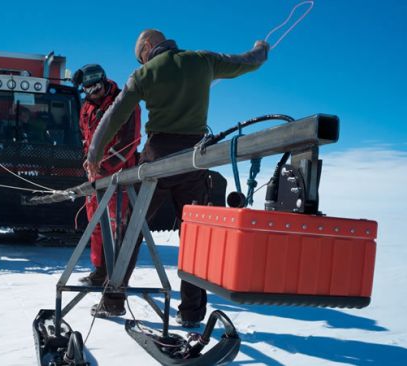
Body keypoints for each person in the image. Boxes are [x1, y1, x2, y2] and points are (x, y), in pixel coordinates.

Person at [84, 29, 269, 327]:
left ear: (148, 46)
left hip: (157, 159)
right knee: (195, 238)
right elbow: (247, 61)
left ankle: (113, 300)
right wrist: (261, 48)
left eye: (140, 54)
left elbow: (114, 115)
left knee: (130, 230)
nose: (141, 59)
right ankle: (192, 313)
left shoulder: (143, 74)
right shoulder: (203, 61)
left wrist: (94, 156)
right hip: (194, 161)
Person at [73, 64, 141, 317]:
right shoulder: (86, 108)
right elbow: (86, 138)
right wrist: (89, 162)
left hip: (120, 177)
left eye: (97, 84)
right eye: (88, 87)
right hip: (97, 177)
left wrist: (105, 165)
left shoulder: (124, 102)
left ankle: (116, 281)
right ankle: (99, 271)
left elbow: (131, 140)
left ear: (104, 80)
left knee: (117, 228)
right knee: (97, 224)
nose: (94, 90)